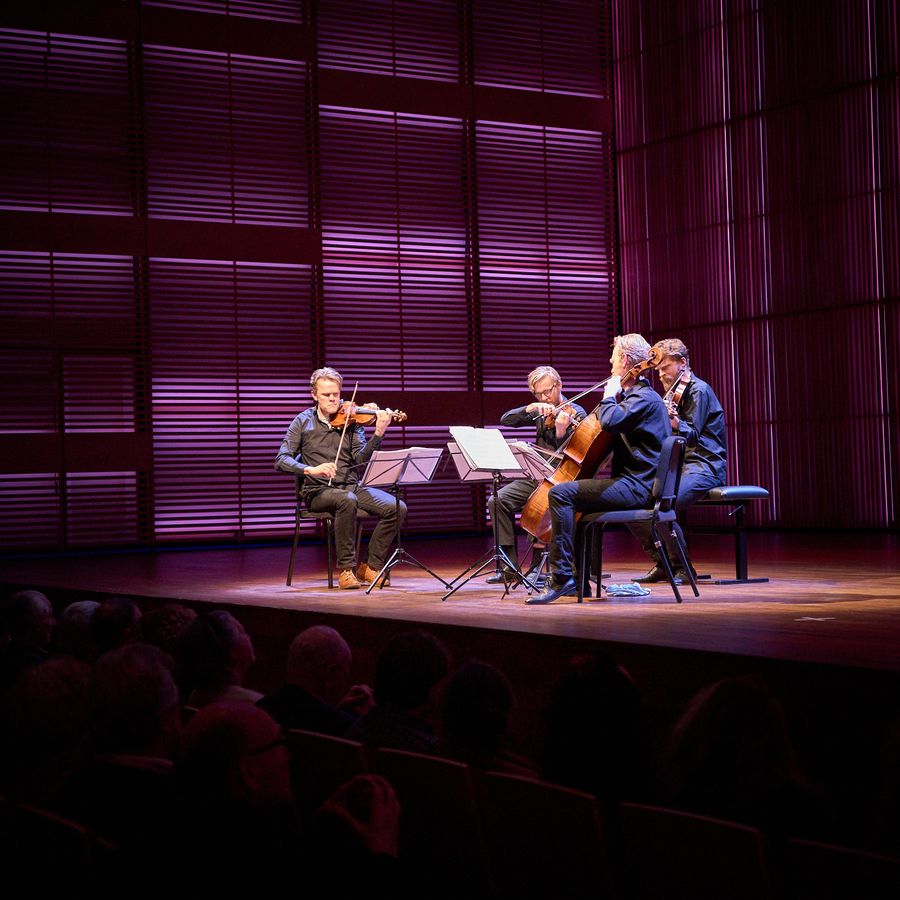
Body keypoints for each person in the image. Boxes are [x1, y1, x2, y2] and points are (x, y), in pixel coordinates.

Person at [527, 334, 670, 604]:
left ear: (626, 360)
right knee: (575, 499)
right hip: (634, 483)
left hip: (637, 487)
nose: (610, 362)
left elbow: (608, 420)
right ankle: (578, 580)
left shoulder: (643, 399)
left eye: (614, 358)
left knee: (561, 494)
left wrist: (608, 395)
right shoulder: (637, 397)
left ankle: (562, 578)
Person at [275, 366, 405, 590]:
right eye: (326, 395)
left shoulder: (352, 420)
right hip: (317, 491)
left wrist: (378, 434)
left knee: (396, 507)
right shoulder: (302, 421)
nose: (333, 399)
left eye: (336, 394)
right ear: (314, 395)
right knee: (347, 500)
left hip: (351, 486)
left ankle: (370, 566)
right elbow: (281, 459)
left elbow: (359, 459)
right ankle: (346, 570)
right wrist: (311, 470)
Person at [631, 338, 727, 583]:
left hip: (704, 465)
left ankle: (684, 568)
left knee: (663, 504)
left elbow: (692, 435)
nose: (660, 374)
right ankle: (663, 563)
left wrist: (673, 421)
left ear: (682, 363)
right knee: (633, 500)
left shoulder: (699, 390)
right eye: (658, 369)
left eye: (665, 368)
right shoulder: (672, 393)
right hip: (679, 466)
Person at [487, 365, 586, 583]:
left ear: (559, 385)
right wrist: (530, 408)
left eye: (547, 392)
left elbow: (575, 453)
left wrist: (561, 432)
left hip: (561, 481)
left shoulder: (576, 413)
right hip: (536, 477)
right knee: (497, 500)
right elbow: (506, 420)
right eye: (538, 394)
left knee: (540, 502)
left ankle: (537, 567)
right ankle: (509, 567)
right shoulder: (540, 410)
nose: (544, 397)